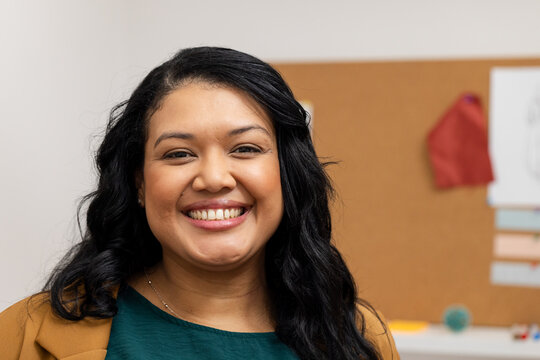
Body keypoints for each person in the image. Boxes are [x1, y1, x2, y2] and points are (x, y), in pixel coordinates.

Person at [0, 47, 399, 360]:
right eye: (178, 154)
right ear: (139, 183)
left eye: (245, 148)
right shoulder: (25, 335)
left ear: (286, 174)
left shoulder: (359, 336)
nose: (213, 178)